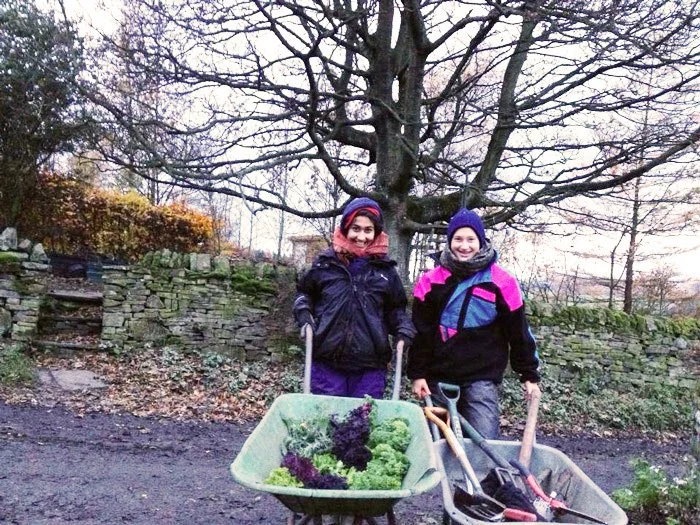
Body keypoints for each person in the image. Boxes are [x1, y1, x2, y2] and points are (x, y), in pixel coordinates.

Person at [407, 208, 541, 438]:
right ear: (450, 242)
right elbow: (421, 333)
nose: (464, 246)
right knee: (436, 443)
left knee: (484, 442)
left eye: (471, 239)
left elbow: (518, 333)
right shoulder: (430, 282)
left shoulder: (502, 282)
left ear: (481, 241)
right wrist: (418, 374)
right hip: (438, 377)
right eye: (458, 239)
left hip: (481, 379)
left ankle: (479, 475)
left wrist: (529, 375)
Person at [293, 197, 416, 398]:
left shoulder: (385, 272)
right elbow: (304, 294)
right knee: (327, 421)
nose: (362, 236)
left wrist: (404, 329)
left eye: (368, 230)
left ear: (376, 232)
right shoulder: (325, 266)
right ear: (345, 229)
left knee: (363, 422)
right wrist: (304, 316)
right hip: (327, 362)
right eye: (356, 228)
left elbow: (396, 310)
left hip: (370, 367)